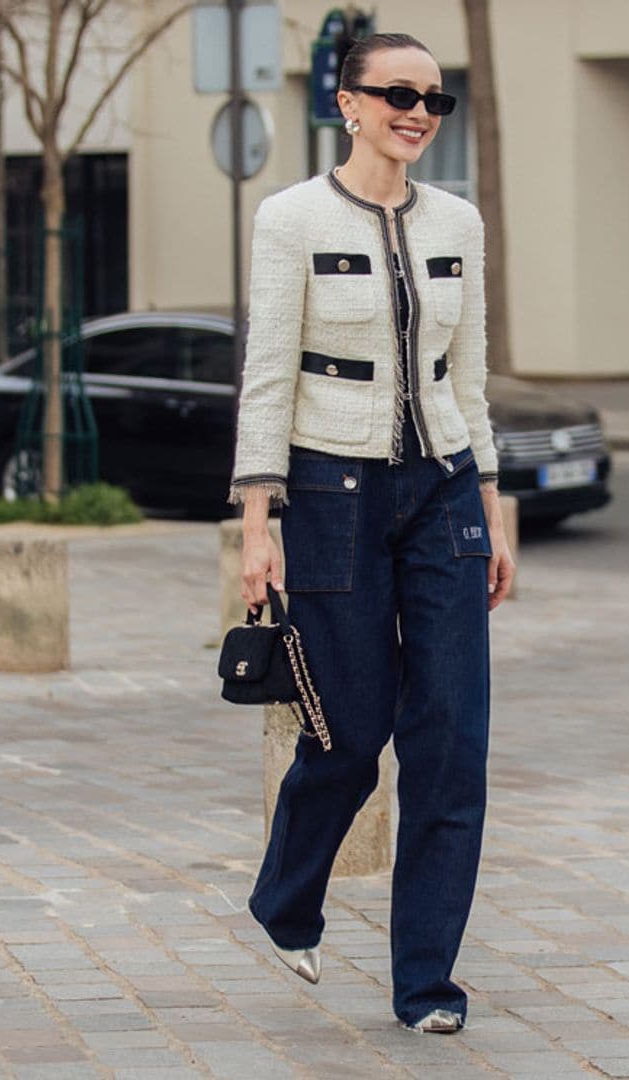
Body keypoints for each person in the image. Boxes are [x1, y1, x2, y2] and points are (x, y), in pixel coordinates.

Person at [227, 31, 516, 1034]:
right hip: (329, 493)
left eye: (433, 96)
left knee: (452, 745)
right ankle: (288, 896)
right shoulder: (291, 218)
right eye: (396, 92)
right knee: (347, 736)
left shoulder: (459, 223)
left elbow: (466, 378)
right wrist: (257, 522)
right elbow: (268, 376)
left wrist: (487, 500)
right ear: (346, 102)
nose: (418, 111)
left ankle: (426, 982)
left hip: (441, 494)